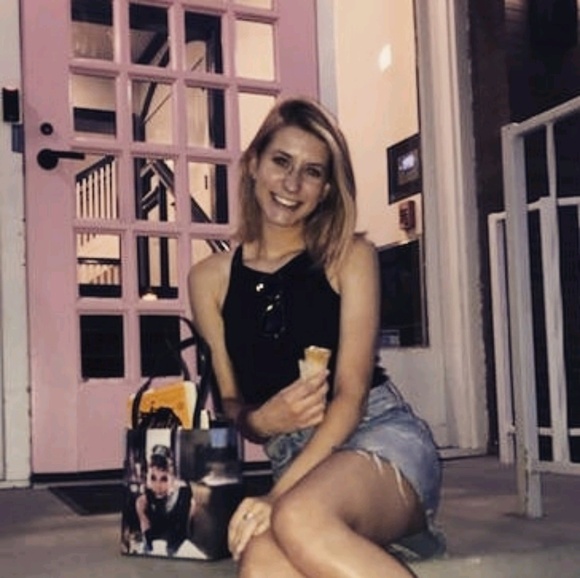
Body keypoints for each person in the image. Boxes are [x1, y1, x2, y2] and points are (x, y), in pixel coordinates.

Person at [188, 96, 444, 577]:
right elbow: (231, 402)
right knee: (260, 562)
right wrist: (260, 421)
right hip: (297, 461)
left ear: (326, 189)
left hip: (377, 438)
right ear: (253, 164)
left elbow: (351, 394)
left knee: (296, 517)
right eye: (281, 162)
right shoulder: (208, 279)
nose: (292, 184)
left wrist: (275, 496)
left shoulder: (350, 257)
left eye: (311, 172)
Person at [135, 444, 196, 556]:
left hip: (177, 548)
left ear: (172, 476)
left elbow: (182, 533)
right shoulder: (145, 499)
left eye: (164, 479)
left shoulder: (183, 494)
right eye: (153, 478)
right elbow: (148, 538)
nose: (157, 486)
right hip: (156, 548)